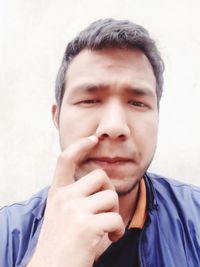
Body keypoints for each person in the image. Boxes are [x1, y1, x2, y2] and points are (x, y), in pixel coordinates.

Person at [0, 18, 200, 267]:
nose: (115, 127)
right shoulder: (5, 235)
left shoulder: (195, 220)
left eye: (137, 103)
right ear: (57, 117)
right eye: (89, 100)